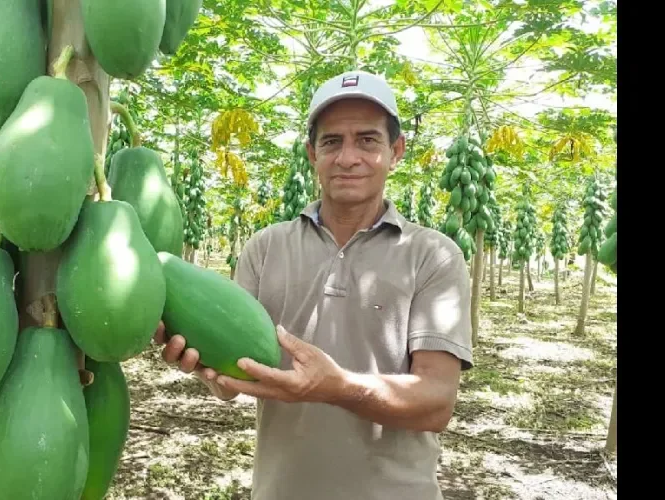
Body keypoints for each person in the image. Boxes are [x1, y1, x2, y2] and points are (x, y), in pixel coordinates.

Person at [153, 70, 473, 500]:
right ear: (312, 153)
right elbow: (233, 376)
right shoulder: (265, 248)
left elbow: (436, 403)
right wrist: (212, 374)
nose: (348, 157)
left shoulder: (434, 255)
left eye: (367, 140)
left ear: (395, 152)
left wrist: (337, 387)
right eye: (331, 142)